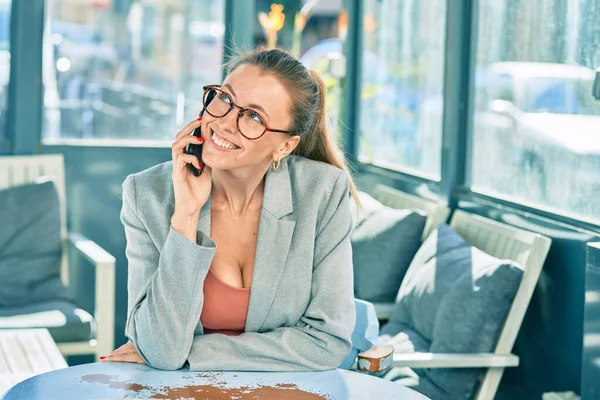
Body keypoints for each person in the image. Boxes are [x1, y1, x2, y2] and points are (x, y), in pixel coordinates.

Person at [101, 48, 360, 371]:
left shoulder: (321, 192)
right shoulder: (147, 195)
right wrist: (185, 215)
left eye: (254, 117)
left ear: (285, 146)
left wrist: (194, 353)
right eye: (224, 99)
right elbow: (160, 350)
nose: (223, 123)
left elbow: (327, 341)